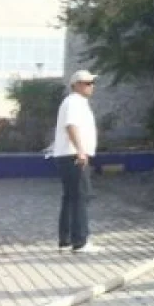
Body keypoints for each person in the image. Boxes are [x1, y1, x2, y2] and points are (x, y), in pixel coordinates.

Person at [51, 70, 101, 253]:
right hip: (73, 155)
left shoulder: (76, 102)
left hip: (69, 154)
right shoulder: (74, 102)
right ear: (76, 85)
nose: (91, 86)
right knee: (81, 196)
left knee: (70, 197)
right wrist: (80, 150)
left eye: (92, 82)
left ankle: (66, 240)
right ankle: (80, 240)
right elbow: (71, 126)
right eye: (87, 83)